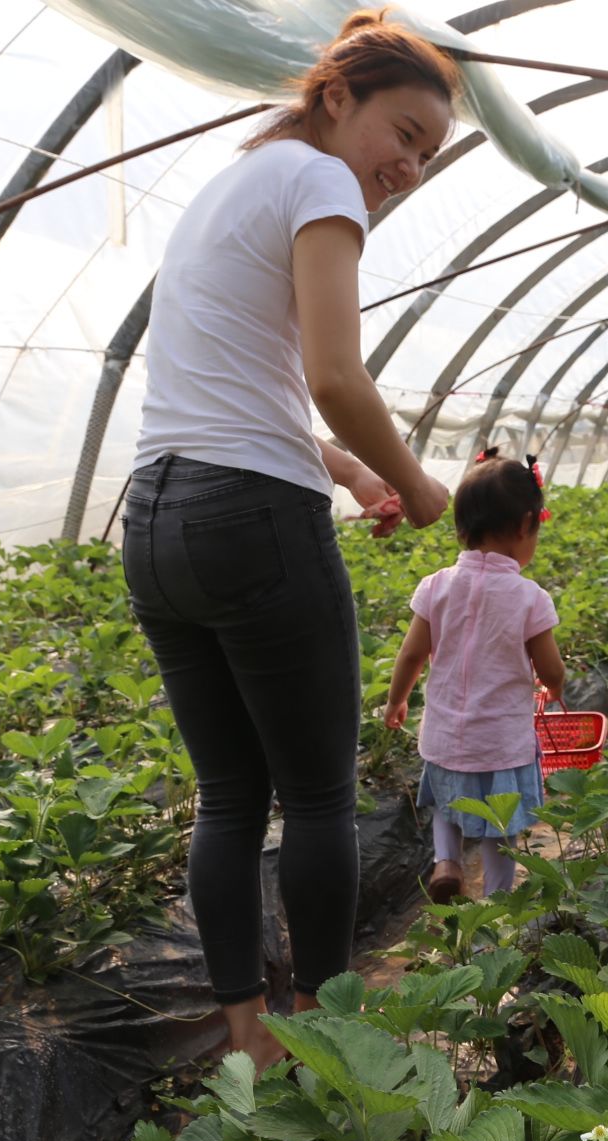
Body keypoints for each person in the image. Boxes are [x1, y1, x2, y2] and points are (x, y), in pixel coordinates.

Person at [120, 10, 460, 1072]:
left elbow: (242, 389)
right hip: (253, 521)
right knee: (316, 795)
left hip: (157, 517)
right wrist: (417, 480)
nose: (405, 166)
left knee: (229, 793)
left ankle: (246, 1034)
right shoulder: (321, 182)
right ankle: (323, 1035)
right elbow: (333, 373)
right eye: (401, 133)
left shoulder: (230, 187)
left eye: (427, 155)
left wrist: (353, 472)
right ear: (335, 98)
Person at [385, 450, 567, 901]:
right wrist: (554, 685)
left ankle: (445, 861)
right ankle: (499, 896)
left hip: (446, 731)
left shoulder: (436, 586)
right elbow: (550, 667)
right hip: (501, 740)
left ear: (461, 527)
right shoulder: (529, 598)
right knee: (498, 822)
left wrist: (396, 700)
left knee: (447, 801)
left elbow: (411, 655)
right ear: (526, 525)